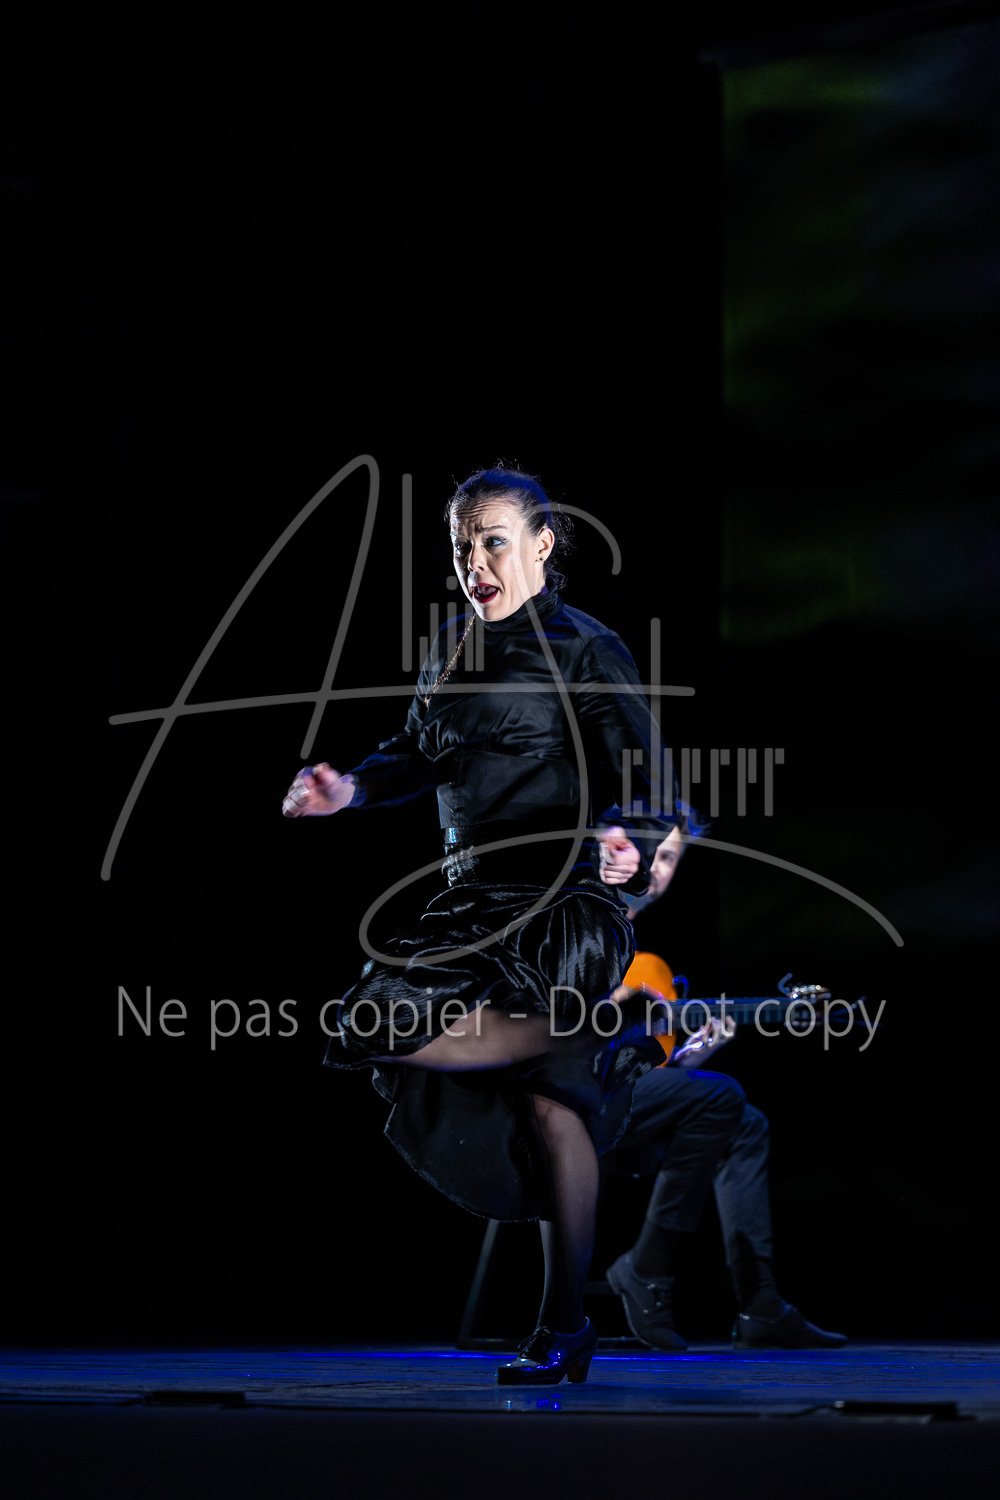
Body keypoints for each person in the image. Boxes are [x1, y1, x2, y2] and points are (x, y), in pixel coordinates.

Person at [282, 467, 673, 1385]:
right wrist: (351, 790)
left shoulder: (588, 647)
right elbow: (415, 752)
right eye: (462, 546)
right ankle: (594, 1035)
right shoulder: (449, 647)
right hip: (470, 904)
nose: (474, 563)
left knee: (548, 1104)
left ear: (541, 544)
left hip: (563, 900)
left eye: (493, 541)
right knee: (373, 1021)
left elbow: (646, 773)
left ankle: (563, 1323)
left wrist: (633, 838)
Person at [602, 820, 848, 1350]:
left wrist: (695, 1052)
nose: (655, 869)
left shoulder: (648, 963)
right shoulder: (570, 926)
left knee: (743, 1122)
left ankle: (760, 1302)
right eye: (647, 852)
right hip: (559, 1101)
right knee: (722, 1095)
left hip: (618, 1103)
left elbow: (648, 1074)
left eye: (669, 858)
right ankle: (647, 1267)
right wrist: (610, 1010)